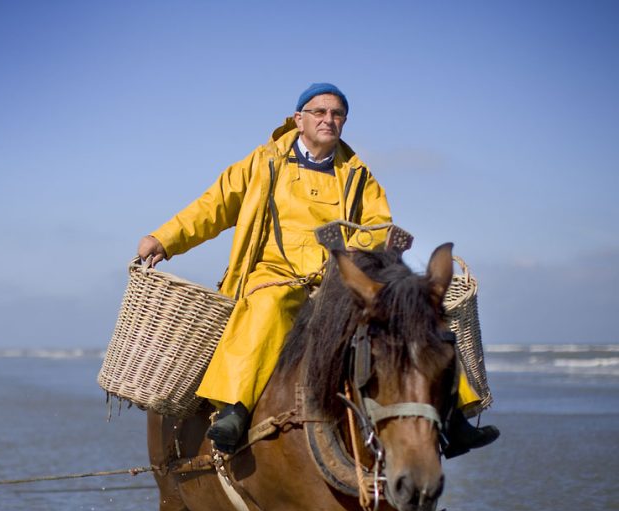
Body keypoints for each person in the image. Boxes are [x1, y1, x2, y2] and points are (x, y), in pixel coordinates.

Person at [137, 82, 499, 457]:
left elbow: (377, 229)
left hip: (337, 279)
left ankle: (454, 419)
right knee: (266, 309)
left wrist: (365, 257)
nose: (329, 119)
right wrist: (164, 239)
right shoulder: (263, 163)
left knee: (412, 319)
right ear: (299, 119)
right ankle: (234, 409)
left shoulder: (359, 175)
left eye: (337, 114)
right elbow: (212, 207)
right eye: (319, 112)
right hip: (272, 273)